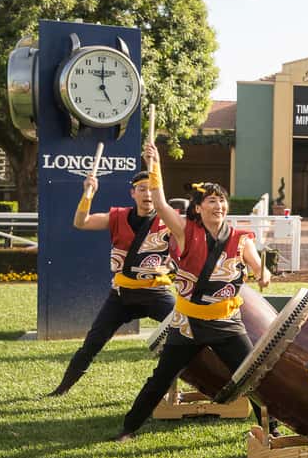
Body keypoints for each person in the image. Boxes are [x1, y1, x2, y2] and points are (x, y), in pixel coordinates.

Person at [115, 143, 271, 441]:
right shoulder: (186, 232)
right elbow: (160, 204)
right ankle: (129, 428)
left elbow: (259, 267)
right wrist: (155, 163)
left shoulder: (241, 239)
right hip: (187, 324)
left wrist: (263, 275)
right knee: (161, 378)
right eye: (211, 201)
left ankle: (271, 431)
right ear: (198, 207)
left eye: (222, 200)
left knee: (252, 378)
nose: (219, 206)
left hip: (226, 323)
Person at [47, 171, 177, 396]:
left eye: (150, 188)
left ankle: (184, 386)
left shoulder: (169, 219)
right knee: (92, 343)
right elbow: (81, 222)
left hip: (157, 292)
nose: (147, 194)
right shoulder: (117, 216)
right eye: (141, 189)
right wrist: (88, 193)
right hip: (122, 295)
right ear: (133, 193)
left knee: (187, 333)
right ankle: (62, 388)